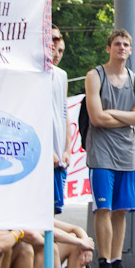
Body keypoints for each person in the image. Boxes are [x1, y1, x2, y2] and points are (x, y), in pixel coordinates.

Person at [85, 28, 135, 268]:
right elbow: (96, 118)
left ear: (130, 50)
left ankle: (117, 263)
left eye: (125, 44)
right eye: (117, 44)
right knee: (104, 208)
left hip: (126, 153)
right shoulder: (95, 76)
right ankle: (104, 264)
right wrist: (128, 117)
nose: (121, 48)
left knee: (122, 210)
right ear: (109, 48)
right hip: (101, 153)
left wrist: (114, 114)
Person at [51, 26, 73, 216]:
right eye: (52, 42)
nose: (56, 52)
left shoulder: (62, 75)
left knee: (53, 210)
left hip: (58, 154)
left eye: (61, 50)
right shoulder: (32, 72)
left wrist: (67, 149)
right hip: (42, 151)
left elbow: (64, 113)